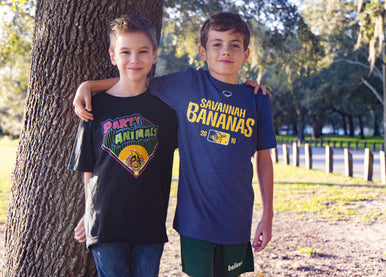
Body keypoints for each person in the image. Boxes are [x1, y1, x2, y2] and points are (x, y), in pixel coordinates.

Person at [74, 12, 276, 277]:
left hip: (236, 218)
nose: (225, 51)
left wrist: (268, 215)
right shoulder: (186, 84)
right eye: (217, 44)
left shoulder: (256, 98)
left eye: (234, 45)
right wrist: (88, 86)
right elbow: (136, 81)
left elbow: (264, 158)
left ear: (246, 54)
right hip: (194, 221)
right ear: (203, 52)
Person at [69, 14, 178, 277]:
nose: (134, 59)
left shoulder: (166, 109)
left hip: (150, 222)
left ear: (154, 55)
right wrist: (89, 212)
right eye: (125, 52)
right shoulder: (95, 106)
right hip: (106, 222)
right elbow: (88, 167)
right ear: (112, 56)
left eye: (143, 52)